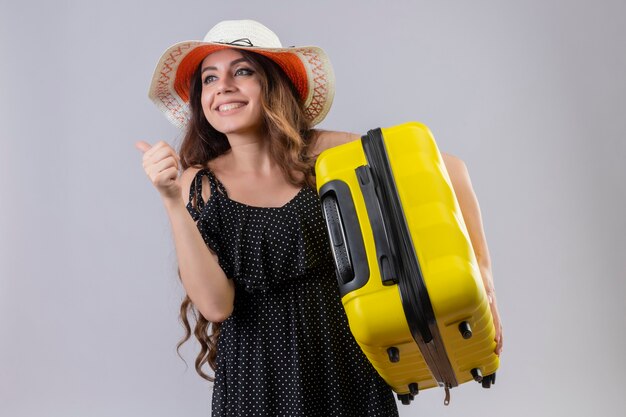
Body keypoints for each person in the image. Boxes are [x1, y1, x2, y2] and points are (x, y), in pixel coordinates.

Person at [136, 19, 503, 416]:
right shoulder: (198, 183)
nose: (223, 85)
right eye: (209, 78)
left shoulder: (327, 155)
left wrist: (483, 280)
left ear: (272, 84)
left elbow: (449, 168)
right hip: (257, 379)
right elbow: (216, 305)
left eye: (242, 71)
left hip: (345, 366)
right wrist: (172, 199)